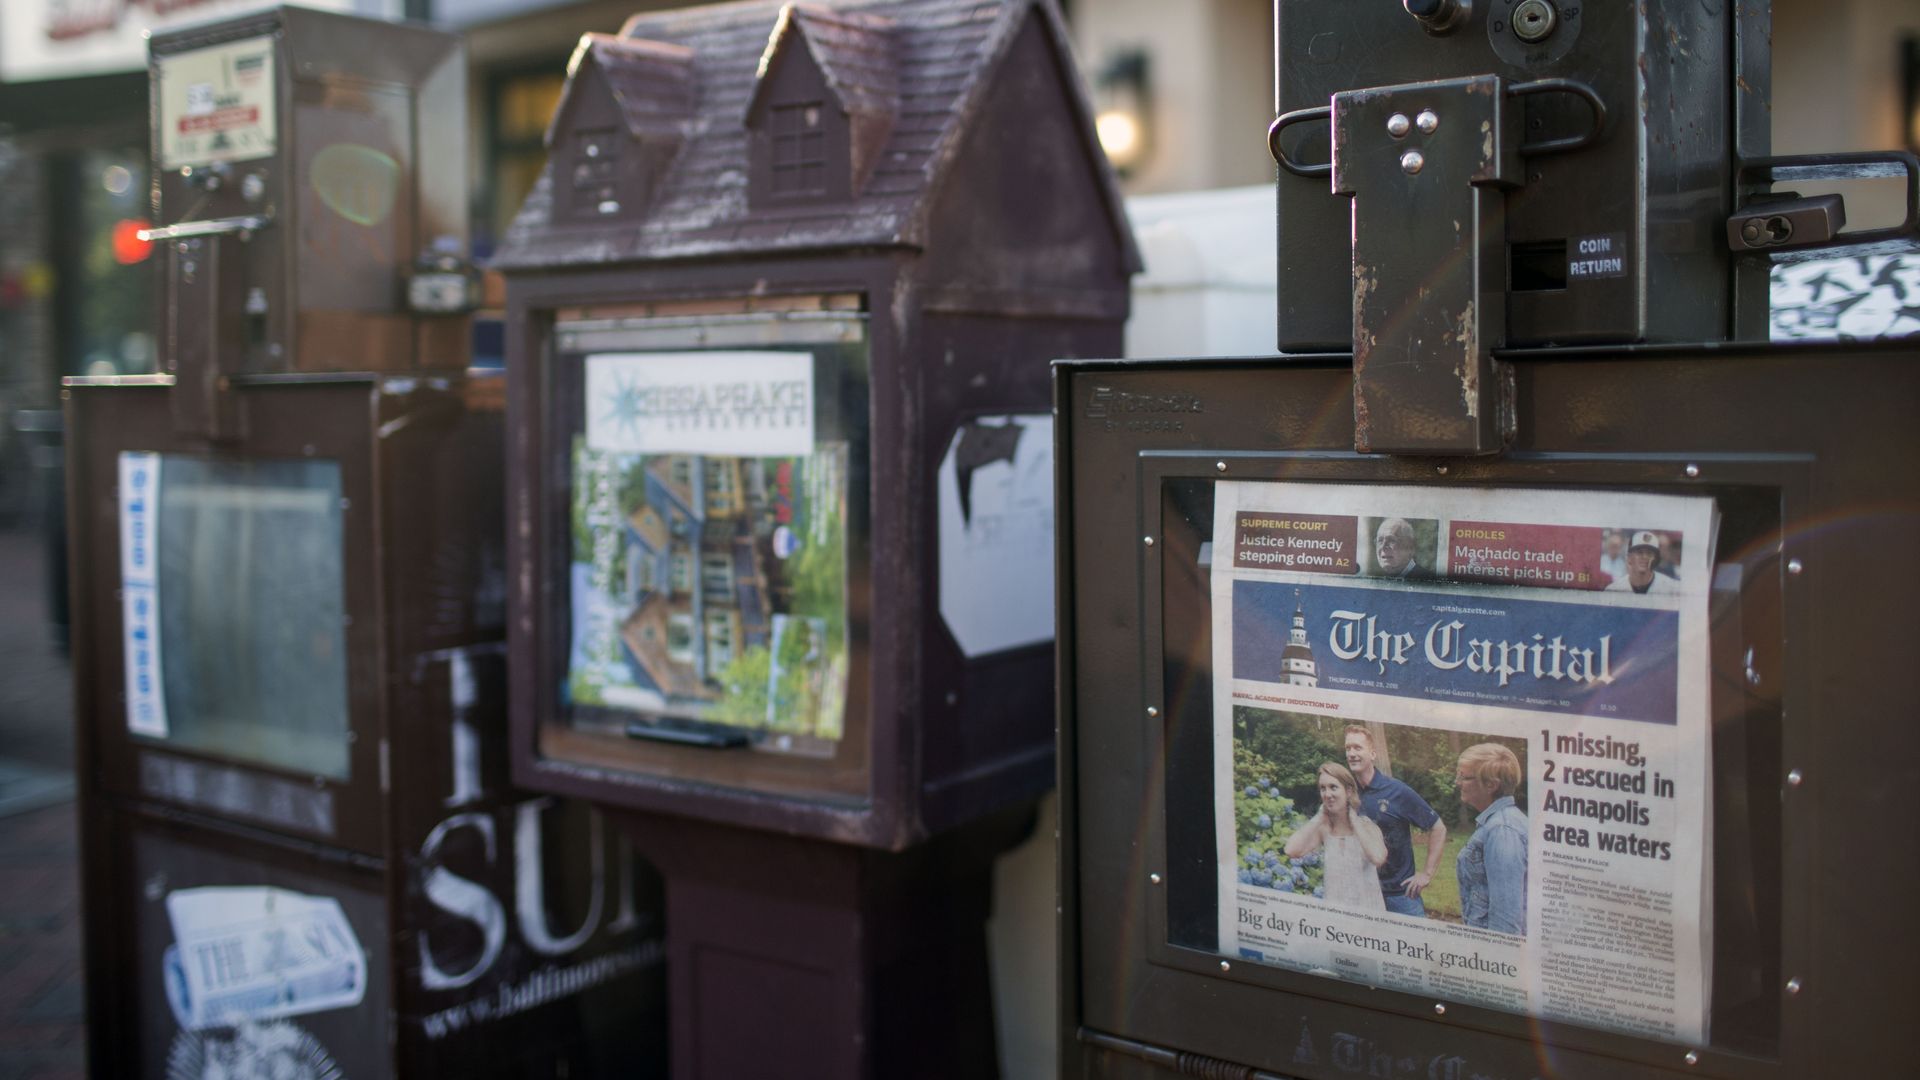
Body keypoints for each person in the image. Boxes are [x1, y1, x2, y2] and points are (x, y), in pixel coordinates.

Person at [1343, 725, 1446, 916]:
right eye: (1348, 748)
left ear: (1373, 754)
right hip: (1364, 895)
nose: (1351, 753)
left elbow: (1438, 828)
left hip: (1401, 897)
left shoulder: (1397, 791)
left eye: (1357, 748)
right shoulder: (1347, 794)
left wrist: (1426, 874)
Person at [1283, 762, 1388, 911]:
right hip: (1336, 917)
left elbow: (1378, 858)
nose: (1327, 794)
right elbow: (1290, 850)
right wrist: (1318, 818)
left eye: (1333, 787)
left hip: (1368, 915)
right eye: (1323, 789)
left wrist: (1355, 822)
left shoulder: (1367, 826)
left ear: (1349, 791)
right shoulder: (1324, 830)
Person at [1455, 743, 1528, 935]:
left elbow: (1506, 918)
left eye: (1464, 777)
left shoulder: (1502, 830)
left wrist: (1495, 958)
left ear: (1491, 785)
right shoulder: (1496, 823)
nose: (1458, 782)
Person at [1604, 530, 1680, 594]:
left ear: (1656, 559)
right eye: (1639, 552)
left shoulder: (1671, 588)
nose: (1644, 557)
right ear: (1629, 558)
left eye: (1649, 553)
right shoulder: (1614, 589)